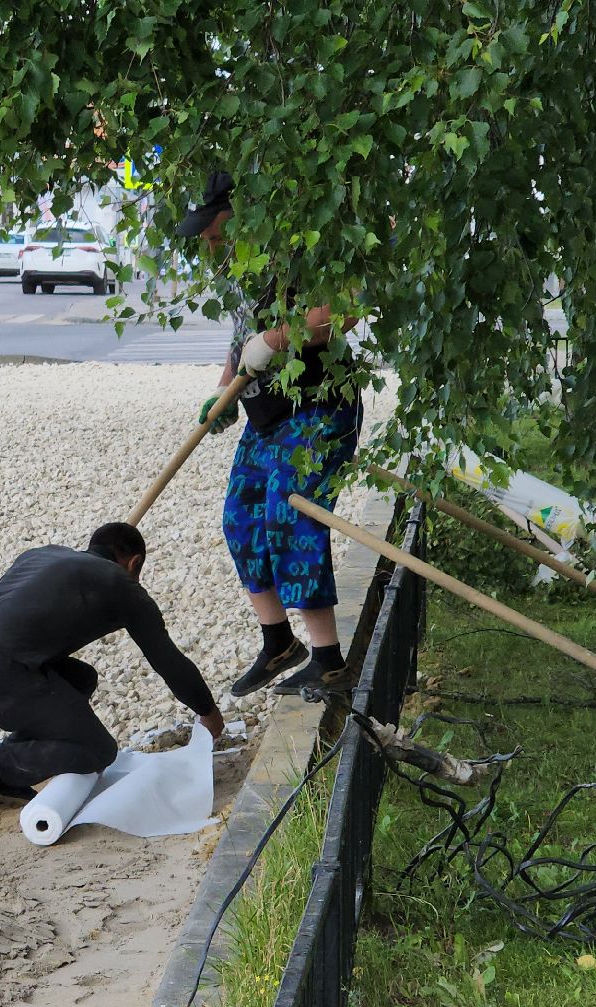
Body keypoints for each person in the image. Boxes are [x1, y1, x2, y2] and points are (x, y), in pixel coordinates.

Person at [174, 172, 364, 700]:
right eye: (205, 236)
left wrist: (277, 340)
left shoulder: (294, 253)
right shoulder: (234, 270)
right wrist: (223, 393)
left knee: (290, 516)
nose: (210, 244)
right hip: (266, 416)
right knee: (239, 520)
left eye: (215, 232)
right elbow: (242, 340)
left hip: (319, 409)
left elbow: (342, 310)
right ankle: (279, 643)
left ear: (245, 218)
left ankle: (329, 661)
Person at [0, 523, 226, 814]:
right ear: (134, 563)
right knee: (97, 750)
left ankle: (4, 770)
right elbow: (167, 660)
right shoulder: (119, 583)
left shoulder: (42, 555)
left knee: (80, 678)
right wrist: (207, 711)